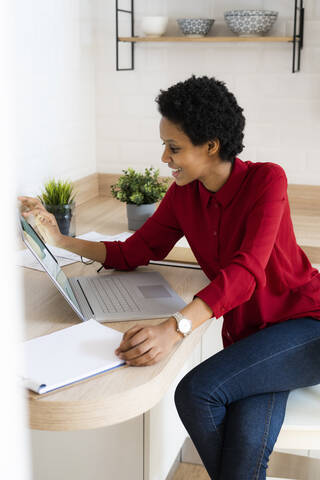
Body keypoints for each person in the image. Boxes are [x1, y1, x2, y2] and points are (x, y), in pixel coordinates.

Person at [19, 75, 320, 479]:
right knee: (244, 448)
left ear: (210, 146)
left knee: (198, 392)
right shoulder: (184, 194)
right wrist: (59, 238)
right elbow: (133, 252)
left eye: (174, 147)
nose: (164, 157)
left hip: (305, 325)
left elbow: (246, 272)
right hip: (252, 343)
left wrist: (174, 327)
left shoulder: (267, 181)